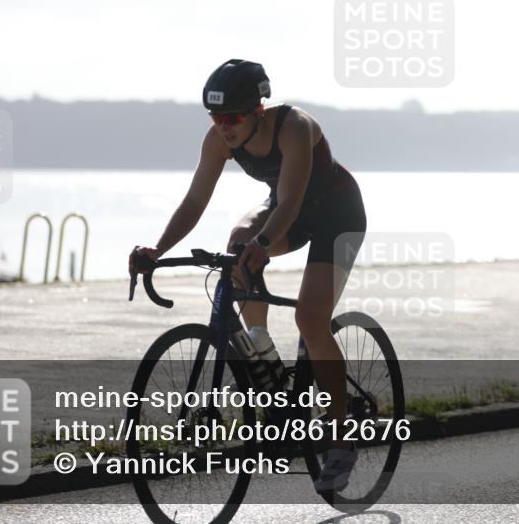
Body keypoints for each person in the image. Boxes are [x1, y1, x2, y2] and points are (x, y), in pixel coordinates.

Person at [129, 59, 367, 492]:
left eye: (232, 117)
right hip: (285, 213)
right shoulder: (219, 139)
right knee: (238, 238)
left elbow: (291, 202)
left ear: (259, 108)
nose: (224, 126)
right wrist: (156, 250)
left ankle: (339, 436)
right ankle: (262, 354)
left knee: (310, 319)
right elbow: (194, 201)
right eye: (215, 117)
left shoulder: (295, 126)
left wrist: (263, 245)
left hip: (338, 215)